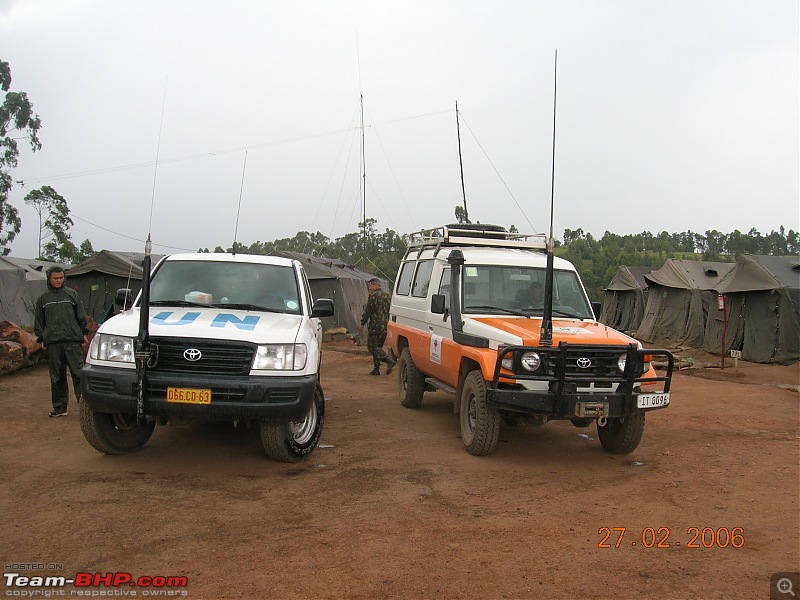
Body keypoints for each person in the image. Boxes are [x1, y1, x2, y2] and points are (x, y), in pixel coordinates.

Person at [34, 266, 89, 417]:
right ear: (49, 279)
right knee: (57, 376)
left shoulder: (72, 295)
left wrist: (83, 333)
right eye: (55, 278)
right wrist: (41, 338)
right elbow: (39, 320)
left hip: (72, 340)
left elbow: (80, 316)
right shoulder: (43, 299)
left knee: (78, 374)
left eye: (61, 278)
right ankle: (59, 407)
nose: (59, 281)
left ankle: (85, 407)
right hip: (53, 342)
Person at [359, 277, 396, 376]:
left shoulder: (373, 296)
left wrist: (362, 323)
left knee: (372, 347)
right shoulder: (387, 296)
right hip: (386, 325)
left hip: (376, 326)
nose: (369, 288)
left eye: (370, 286)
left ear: (376, 285)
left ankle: (388, 360)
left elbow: (368, 311)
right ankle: (376, 368)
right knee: (378, 346)